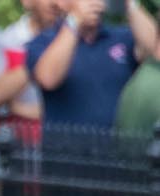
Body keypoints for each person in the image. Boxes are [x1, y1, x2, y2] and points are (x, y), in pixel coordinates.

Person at [26, 0, 158, 130]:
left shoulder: (121, 37)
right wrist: (75, 21)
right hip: (63, 149)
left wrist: (129, 3)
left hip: (114, 148)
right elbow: (48, 79)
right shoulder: (43, 41)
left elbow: (154, 50)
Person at [0, 0, 51, 164]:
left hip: (56, 151)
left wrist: (20, 108)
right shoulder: (3, 37)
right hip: (11, 148)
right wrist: (40, 57)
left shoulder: (76, 43)